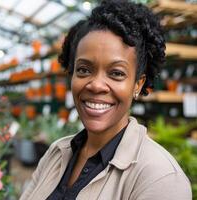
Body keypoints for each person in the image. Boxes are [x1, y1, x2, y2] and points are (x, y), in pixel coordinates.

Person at [20, 0, 192, 199]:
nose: (96, 85)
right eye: (84, 70)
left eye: (116, 73)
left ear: (138, 84)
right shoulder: (56, 153)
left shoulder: (161, 179)